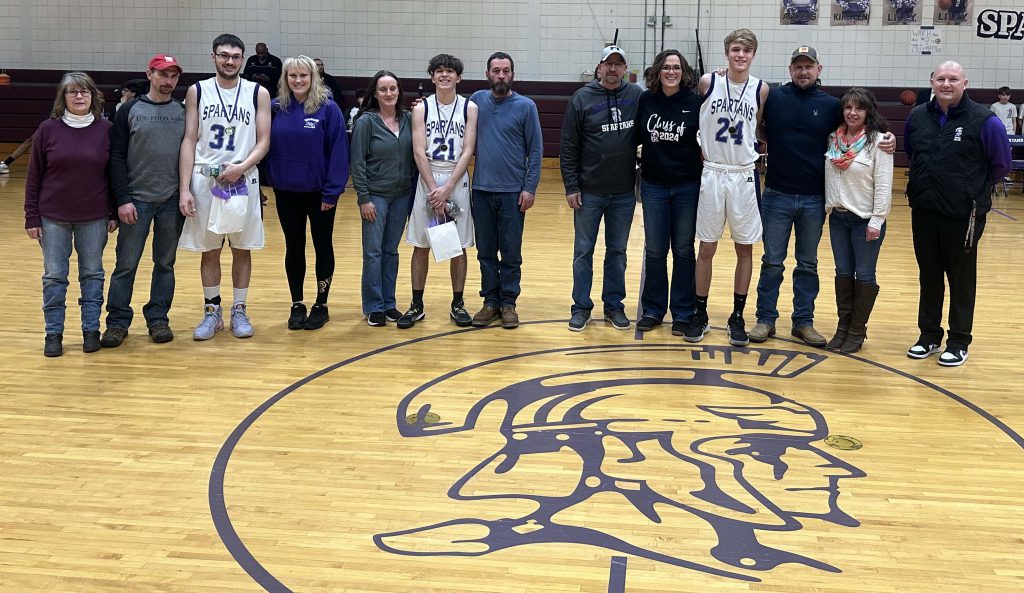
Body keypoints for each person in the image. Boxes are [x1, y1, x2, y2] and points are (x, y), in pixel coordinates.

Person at [750, 46, 896, 347]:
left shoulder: (831, 105)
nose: (803, 72)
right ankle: (766, 319)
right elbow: (759, 129)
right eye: (798, 66)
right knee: (772, 261)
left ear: (819, 69)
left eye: (809, 66)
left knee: (807, 263)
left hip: (814, 199)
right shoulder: (774, 97)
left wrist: (888, 137)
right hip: (776, 193)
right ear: (790, 69)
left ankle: (803, 322)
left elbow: (858, 127)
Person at [904, 61, 1011, 366]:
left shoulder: (984, 120)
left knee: (961, 279)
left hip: (964, 213)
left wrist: (967, 189)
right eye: (941, 78)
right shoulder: (917, 117)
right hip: (924, 209)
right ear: (932, 81)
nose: (946, 84)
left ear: (965, 83)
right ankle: (928, 336)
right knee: (930, 275)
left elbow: (1000, 164)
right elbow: (912, 153)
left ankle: (959, 340)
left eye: (953, 79)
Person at [178, 34, 272, 340]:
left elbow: (264, 141)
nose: (229, 61)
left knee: (242, 249)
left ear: (242, 60)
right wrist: (184, 188)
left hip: (243, 179)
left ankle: (240, 309)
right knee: (209, 251)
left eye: (235, 56)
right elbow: (189, 140)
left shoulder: (257, 92)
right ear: (213, 57)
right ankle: (212, 311)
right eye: (224, 55)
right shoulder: (197, 91)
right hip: (206, 178)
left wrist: (241, 168)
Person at [686, 29, 769, 346]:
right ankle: (700, 314)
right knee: (706, 247)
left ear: (753, 55)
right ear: (727, 53)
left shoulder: (761, 89)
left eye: (747, 50)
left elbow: (758, 128)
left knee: (744, 248)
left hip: (744, 175)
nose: (741, 55)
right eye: (736, 49)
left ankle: (737, 316)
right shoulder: (708, 82)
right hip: (713, 173)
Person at [24, 72, 116, 357]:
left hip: (94, 215)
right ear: (62, 98)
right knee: (54, 277)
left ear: (93, 97)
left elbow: (113, 175)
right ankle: (54, 334)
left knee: (92, 274)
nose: (79, 97)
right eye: (73, 92)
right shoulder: (47, 130)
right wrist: (31, 216)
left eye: (85, 92)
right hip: (53, 216)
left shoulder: (106, 130)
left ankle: (91, 331)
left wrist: (112, 211)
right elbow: (34, 175)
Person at [100, 54, 187, 348]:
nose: (168, 81)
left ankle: (158, 317)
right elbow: (116, 157)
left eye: (173, 76)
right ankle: (117, 322)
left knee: (165, 263)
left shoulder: (182, 111)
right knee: (126, 264)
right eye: (163, 75)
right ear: (149, 74)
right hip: (136, 201)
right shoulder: (129, 110)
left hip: (171, 201)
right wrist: (122, 200)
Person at [560, 45, 642, 332]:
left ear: (624, 69)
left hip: (623, 192)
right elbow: (568, 146)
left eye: (619, 65)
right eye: (608, 64)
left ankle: (614, 306)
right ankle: (581, 307)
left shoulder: (636, 95)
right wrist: (571, 186)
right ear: (599, 67)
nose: (613, 69)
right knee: (583, 251)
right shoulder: (582, 98)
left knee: (617, 252)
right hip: (589, 191)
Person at [264, 55, 349, 330]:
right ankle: (297, 303)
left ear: (313, 78)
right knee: (294, 247)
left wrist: (332, 193)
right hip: (286, 192)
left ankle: (321, 304)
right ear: (285, 79)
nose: (298, 80)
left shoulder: (328, 109)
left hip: (320, 194)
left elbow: (339, 153)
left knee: (322, 246)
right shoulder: (275, 108)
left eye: (304, 75)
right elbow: (261, 146)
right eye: (292, 76)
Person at [398, 53, 479, 329]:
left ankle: (457, 303)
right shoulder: (421, 109)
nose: (444, 75)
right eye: (439, 71)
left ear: (458, 77)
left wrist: (447, 189)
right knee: (421, 245)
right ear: (432, 77)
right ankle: (416, 304)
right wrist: (435, 189)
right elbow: (418, 151)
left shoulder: (470, 107)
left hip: (455, 179)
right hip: (428, 177)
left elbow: (468, 150)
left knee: (457, 247)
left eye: (450, 71)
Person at [468, 51, 543, 329]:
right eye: (496, 70)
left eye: (506, 70)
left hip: (513, 192)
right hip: (482, 190)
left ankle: (509, 302)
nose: (501, 75)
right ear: (488, 73)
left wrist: (530, 187)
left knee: (511, 252)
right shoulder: (475, 102)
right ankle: (490, 301)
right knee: (486, 251)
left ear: (513, 74)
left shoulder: (526, 106)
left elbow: (535, 150)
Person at [634, 49, 703, 336]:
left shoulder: (696, 103)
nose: (671, 72)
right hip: (654, 185)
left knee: (684, 251)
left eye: (676, 67)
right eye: (666, 67)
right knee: (654, 250)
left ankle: (683, 312)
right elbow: (636, 138)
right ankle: (652, 309)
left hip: (687, 185)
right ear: (658, 71)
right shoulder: (646, 100)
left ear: (684, 72)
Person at [823, 88, 893, 353]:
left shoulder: (879, 142)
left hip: (865, 220)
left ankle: (857, 330)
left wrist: (877, 220)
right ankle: (843, 328)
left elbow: (884, 186)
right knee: (842, 273)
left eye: (859, 108)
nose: (853, 113)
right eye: (848, 107)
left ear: (868, 112)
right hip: (838, 219)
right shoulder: (833, 138)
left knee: (864, 274)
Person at [350, 70, 416, 326]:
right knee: (373, 252)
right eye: (383, 89)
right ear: (375, 94)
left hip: (402, 195)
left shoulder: (409, 119)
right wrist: (363, 198)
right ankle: (373, 305)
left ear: (399, 91)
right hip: (375, 196)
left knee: (391, 251)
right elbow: (357, 162)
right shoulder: (366, 122)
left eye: (393, 89)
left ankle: (389, 303)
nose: (389, 93)